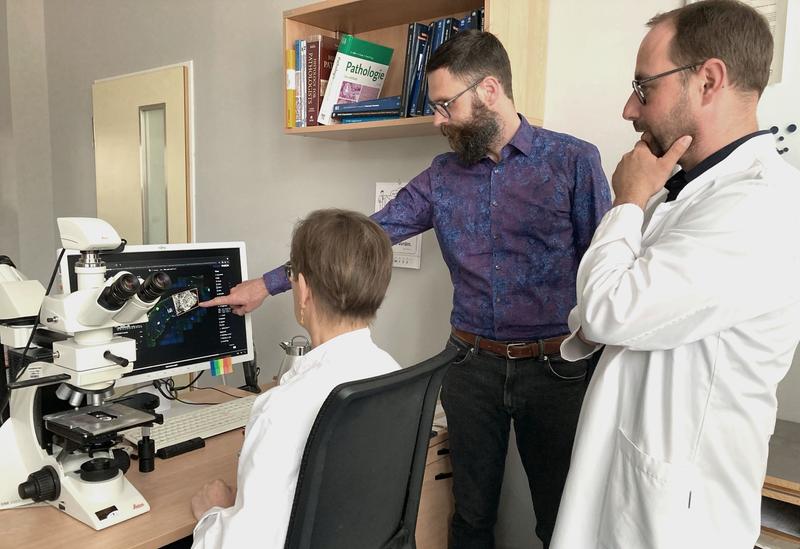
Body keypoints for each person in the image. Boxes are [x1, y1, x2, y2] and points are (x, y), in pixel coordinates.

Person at [202, 31, 610, 548]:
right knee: (471, 516)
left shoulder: (572, 161)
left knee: (562, 521)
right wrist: (268, 283)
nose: (438, 120)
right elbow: (364, 236)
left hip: (556, 369)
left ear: (489, 90)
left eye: (445, 105)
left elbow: (605, 269)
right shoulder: (441, 177)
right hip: (469, 367)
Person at [550, 2, 800, 548]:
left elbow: (606, 309)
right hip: (628, 480)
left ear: (708, 80)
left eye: (644, 87)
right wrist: (607, 303)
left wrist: (627, 200)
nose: (627, 110)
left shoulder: (762, 206)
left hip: (679, 517)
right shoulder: (681, 192)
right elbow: (599, 315)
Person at [190, 209, 400, 548]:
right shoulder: (392, 372)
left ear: (302, 291)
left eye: (291, 275)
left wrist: (213, 512)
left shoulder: (281, 409)